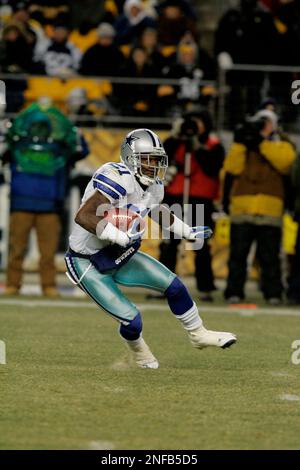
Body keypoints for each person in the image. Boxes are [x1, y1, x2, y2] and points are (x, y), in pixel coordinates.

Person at [65, 128, 236, 369]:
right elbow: (83, 215)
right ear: (130, 157)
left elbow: (157, 210)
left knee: (174, 286)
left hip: (119, 253)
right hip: (87, 260)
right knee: (132, 322)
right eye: (147, 159)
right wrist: (115, 233)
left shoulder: (154, 186)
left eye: (156, 160)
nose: (152, 166)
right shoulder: (116, 177)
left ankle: (198, 334)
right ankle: (139, 352)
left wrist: (187, 231)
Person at [3, 101, 89, 297]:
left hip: (46, 204)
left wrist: (76, 135)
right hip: (25, 202)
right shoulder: (18, 143)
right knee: (19, 249)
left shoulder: (58, 147)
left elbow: (81, 150)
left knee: (45, 252)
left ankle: (46, 285)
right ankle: (14, 284)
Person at [222, 110, 296, 304]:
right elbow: (232, 168)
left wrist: (261, 142)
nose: (262, 126)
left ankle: (273, 293)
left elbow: (285, 164)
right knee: (238, 255)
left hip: (270, 210)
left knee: (270, 256)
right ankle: (234, 291)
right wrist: (240, 143)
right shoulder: (244, 145)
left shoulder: (283, 144)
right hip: (242, 208)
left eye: (266, 123)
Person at [159, 111, 225, 301]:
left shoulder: (213, 145)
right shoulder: (176, 142)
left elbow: (212, 167)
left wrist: (196, 145)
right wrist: (177, 136)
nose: (193, 126)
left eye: (198, 122)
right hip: (176, 198)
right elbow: (163, 156)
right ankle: (164, 286)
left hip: (199, 200)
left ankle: (205, 287)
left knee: (200, 244)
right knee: (169, 244)